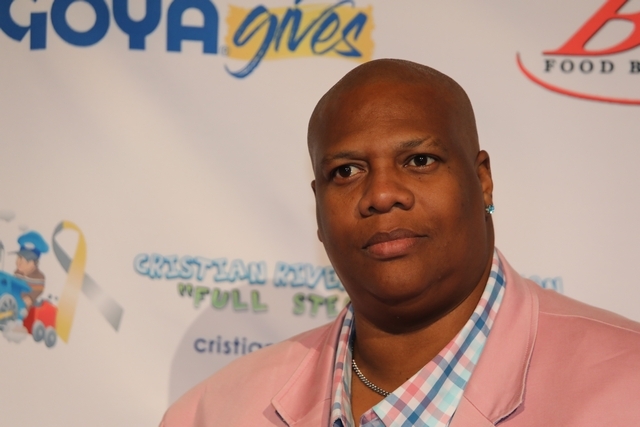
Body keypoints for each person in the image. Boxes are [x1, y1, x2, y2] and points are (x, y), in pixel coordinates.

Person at [160, 59, 640, 426]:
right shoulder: (213, 413)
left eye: (419, 161)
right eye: (346, 171)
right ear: (318, 208)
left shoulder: (627, 386)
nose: (382, 194)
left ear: (482, 182)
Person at [13, 231, 49, 308]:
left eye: (26, 261)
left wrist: (30, 298)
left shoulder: (39, 277)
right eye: (19, 258)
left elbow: (38, 290)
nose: (19, 263)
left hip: (26, 306)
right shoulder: (17, 273)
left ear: (34, 263)